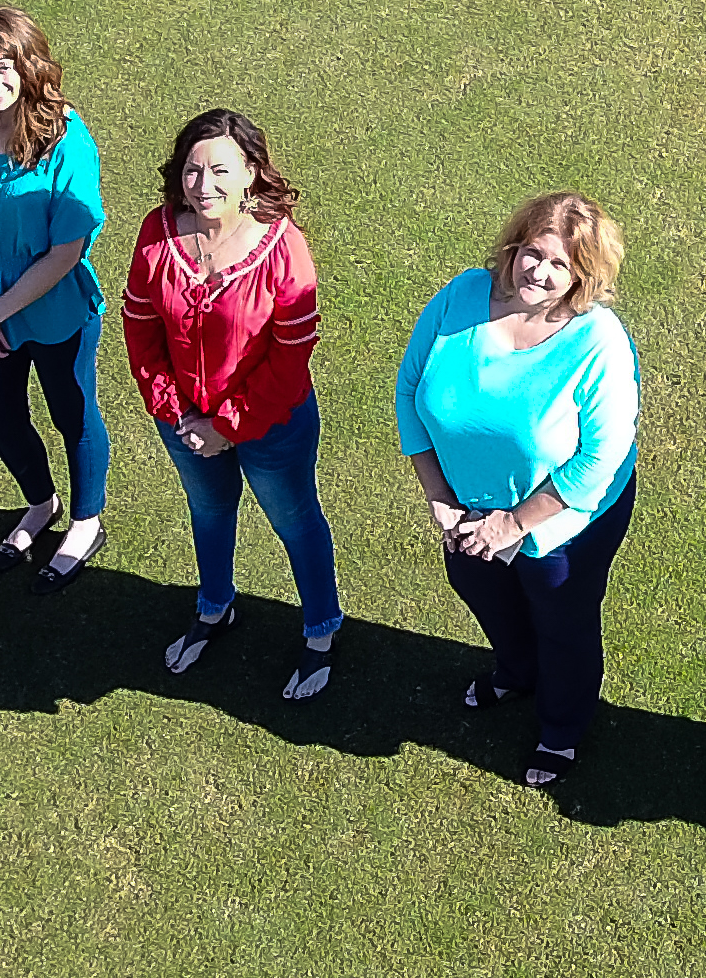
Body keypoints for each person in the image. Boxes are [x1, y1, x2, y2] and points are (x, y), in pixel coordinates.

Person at [399, 193, 641, 791]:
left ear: (583, 276)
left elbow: (599, 460)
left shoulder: (597, 339)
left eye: (560, 266)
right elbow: (410, 393)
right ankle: (515, 670)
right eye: (533, 254)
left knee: (561, 615)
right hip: (465, 507)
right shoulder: (460, 295)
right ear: (514, 248)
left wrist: (512, 525)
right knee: (476, 583)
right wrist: (438, 495)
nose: (540, 272)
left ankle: (561, 725)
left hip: (562, 521)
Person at [126, 111, 341, 694]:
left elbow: (291, 356)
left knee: (295, 521)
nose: (204, 185)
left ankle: (322, 627)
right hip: (186, 423)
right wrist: (177, 411)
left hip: (272, 425)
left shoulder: (283, 246)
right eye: (193, 170)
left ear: (250, 173)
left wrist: (228, 425)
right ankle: (214, 606)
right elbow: (140, 328)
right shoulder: (158, 230)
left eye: (221, 170)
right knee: (210, 511)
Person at [0, 6, 109, 587]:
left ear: (30, 66)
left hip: (54, 306)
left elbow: (66, 251)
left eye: (4, 66)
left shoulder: (67, 138)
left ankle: (86, 522)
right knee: (1, 420)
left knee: (72, 412)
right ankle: (41, 503)